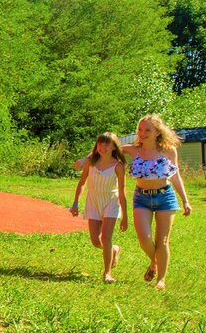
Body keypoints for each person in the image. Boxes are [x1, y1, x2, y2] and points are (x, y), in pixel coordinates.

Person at [120, 114, 192, 290]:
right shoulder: (132, 149)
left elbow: (175, 176)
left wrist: (185, 200)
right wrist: (85, 160)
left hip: (165, 197)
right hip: (141, 197)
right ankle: (155, 261)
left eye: (147, 130)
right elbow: (105, 148)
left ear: (157, 132)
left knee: (163, 241)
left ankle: (161, 279)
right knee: (144, 238)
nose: (142, 133)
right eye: (140, 129)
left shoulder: (168, 150)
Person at [69, 132, 127, 283]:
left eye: (107, 144)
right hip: (93, 201)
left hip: (111, 201)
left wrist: (125, 216)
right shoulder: (91, 162)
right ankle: (114, 250)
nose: (103, 147)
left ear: (114, 147)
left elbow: (122, 191)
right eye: (100, 143)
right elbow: (82, 183)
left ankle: (107, 273)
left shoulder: (118, 166)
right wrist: (75, 203)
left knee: (106, 237)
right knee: (96, 241)